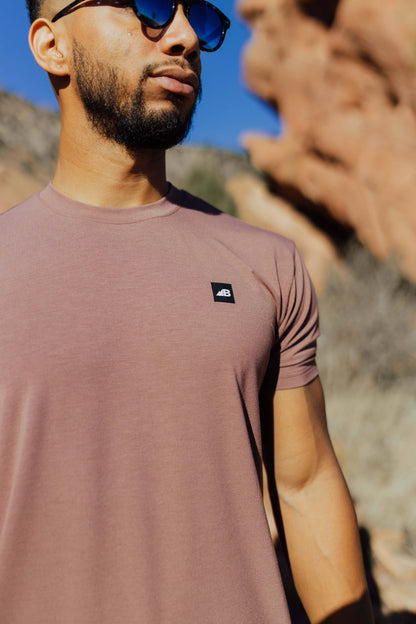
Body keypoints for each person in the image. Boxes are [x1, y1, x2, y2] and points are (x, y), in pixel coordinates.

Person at [0, 1, 374, 622]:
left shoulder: (268, 265)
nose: (184, 38)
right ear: (50, 47)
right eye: (146, 6)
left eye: (199, 17)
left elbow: (305, 485)